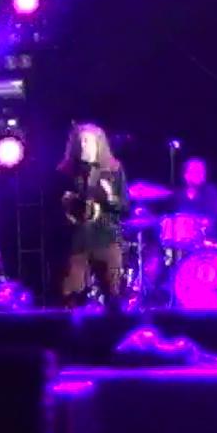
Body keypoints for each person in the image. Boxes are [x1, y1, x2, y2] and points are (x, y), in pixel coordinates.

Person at [60, 125, 131, 308]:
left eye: (88, 141)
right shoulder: (68, 170)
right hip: (78, 240)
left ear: (99, 144)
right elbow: (58, 207)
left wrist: (111, 198)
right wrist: (68, 202)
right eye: (81, 141)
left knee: (113, 295)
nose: (84, 145)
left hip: (106, 237)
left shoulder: (114, 169)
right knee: (71, 295)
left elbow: (124, 206)